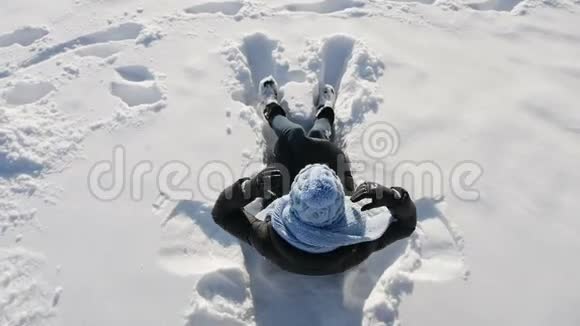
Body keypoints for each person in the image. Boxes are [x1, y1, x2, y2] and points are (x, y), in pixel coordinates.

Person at [212, 76, 417, 275]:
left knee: (292, 136)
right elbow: (406, 225)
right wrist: (395, 199)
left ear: (292, 199)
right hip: (326, 215)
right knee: (320, 141)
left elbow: (221, 214)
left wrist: (249, 188)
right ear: (340, 205)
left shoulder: (269, 239)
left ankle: (272, 109)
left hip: (289, 209)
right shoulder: (358, 243)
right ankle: (325, 114)